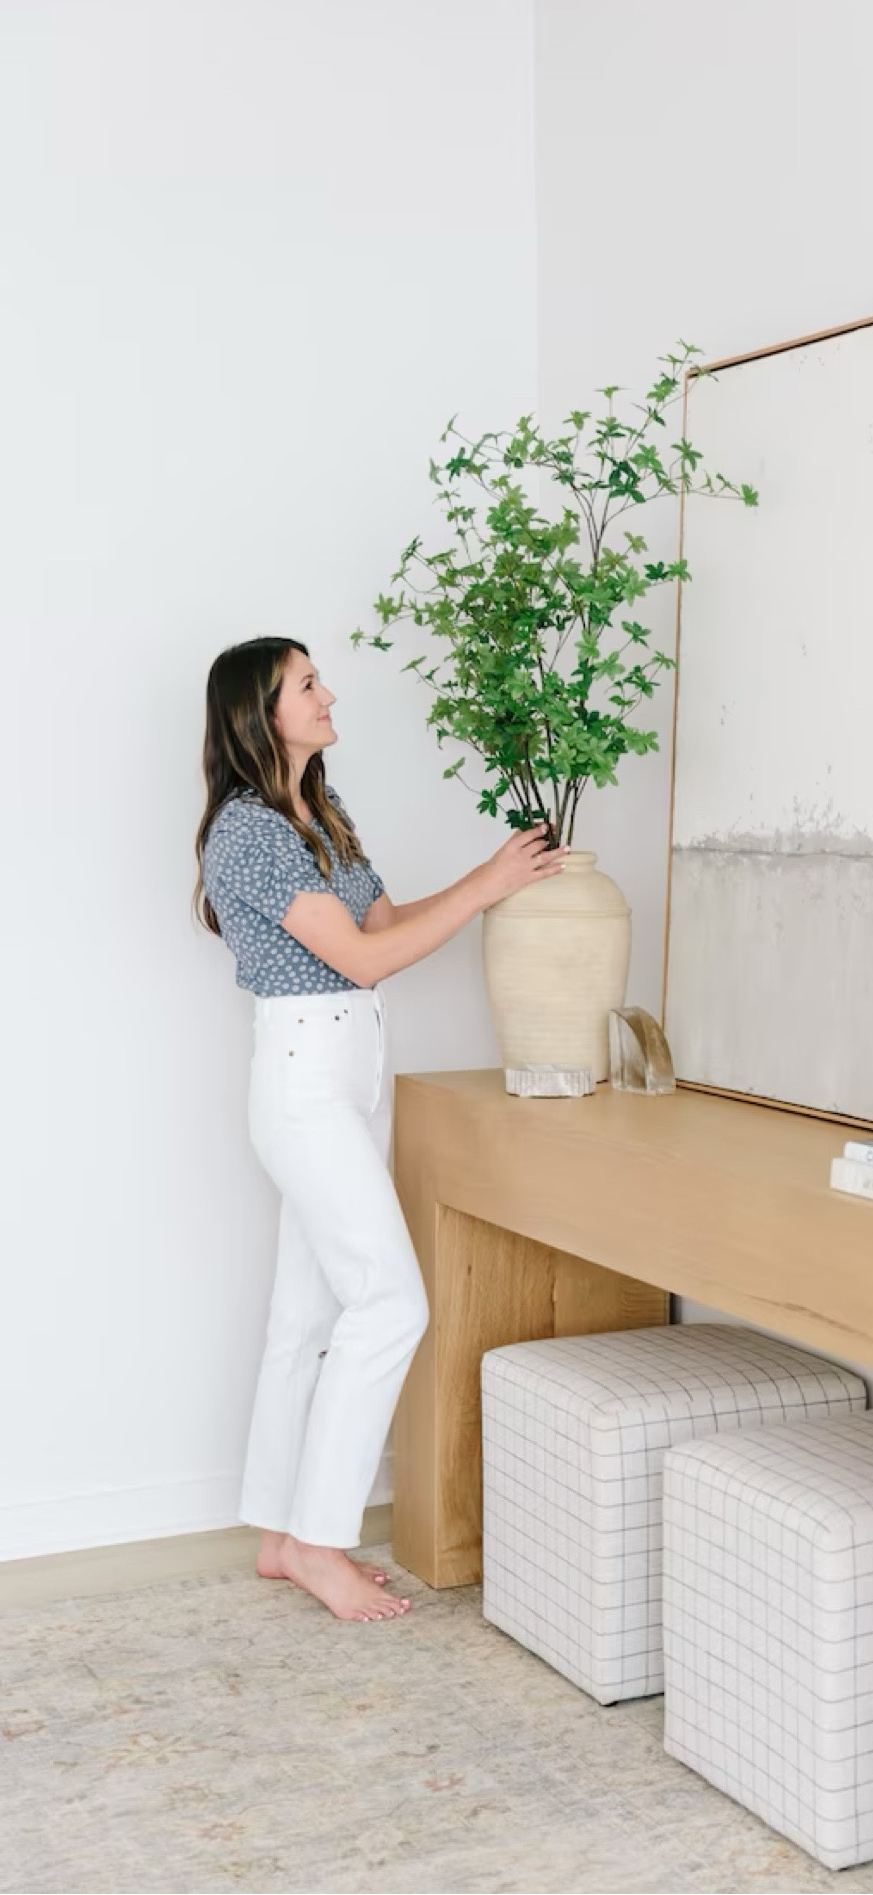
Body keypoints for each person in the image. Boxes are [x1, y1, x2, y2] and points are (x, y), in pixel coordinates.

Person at [194, 636, 566, 1623]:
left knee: (308, 1317)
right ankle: (322, 1542)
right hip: (304, 1081)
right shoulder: (249, 833)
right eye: (306, 684)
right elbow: (361, 960)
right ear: (259, 713)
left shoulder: (321, 814)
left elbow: (389, 921)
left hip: (350, 1073)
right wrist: (485, 885)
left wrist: (494, 882)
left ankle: (280, 1536)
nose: (327, 694)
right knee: (390, 1306)